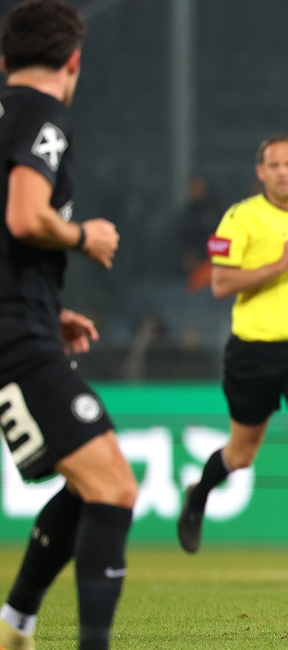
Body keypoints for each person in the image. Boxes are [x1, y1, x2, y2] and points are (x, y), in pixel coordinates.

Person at [0, 2, 136, 649]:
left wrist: (46, 311)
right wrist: (84, 236)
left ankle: (15, 624)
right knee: (113, 487)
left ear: (5, 60)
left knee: (93, 482)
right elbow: (25, 217)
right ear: (73, 62)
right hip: (14, 337)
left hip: (22, 323)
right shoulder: (43, 116)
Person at [177, 135, 288, 581]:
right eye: (273, 165)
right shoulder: (240, 218)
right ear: (260, 172)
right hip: (253, 352)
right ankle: (198, 496)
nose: (282, 171)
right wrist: (278, 264)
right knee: (240, 454)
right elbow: (220, 284)